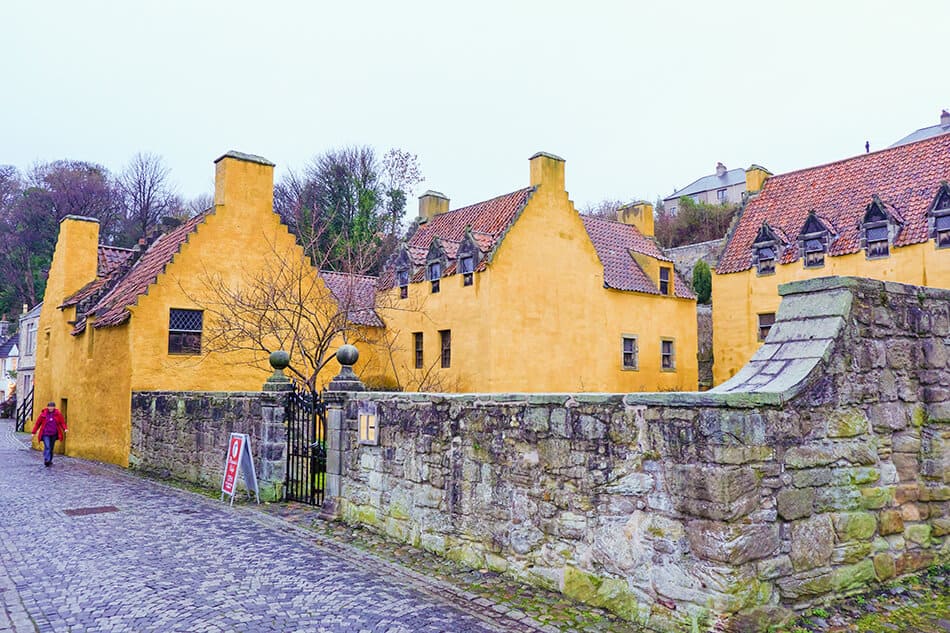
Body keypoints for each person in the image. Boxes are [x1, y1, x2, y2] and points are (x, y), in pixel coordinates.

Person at [32, 401, 67, 467]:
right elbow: (38, 423)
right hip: (46, 434)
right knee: (47, 446)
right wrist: (34, 432)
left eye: (52, 407)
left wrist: (65, 428)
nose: (51, 408)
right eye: (50, 406)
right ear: (47, 407)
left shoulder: (58, 414)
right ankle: (47, 460)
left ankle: (50, 460)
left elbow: (62, 422)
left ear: (54, 407)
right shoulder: (43, 414)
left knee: (51, 447)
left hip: (54, 433)